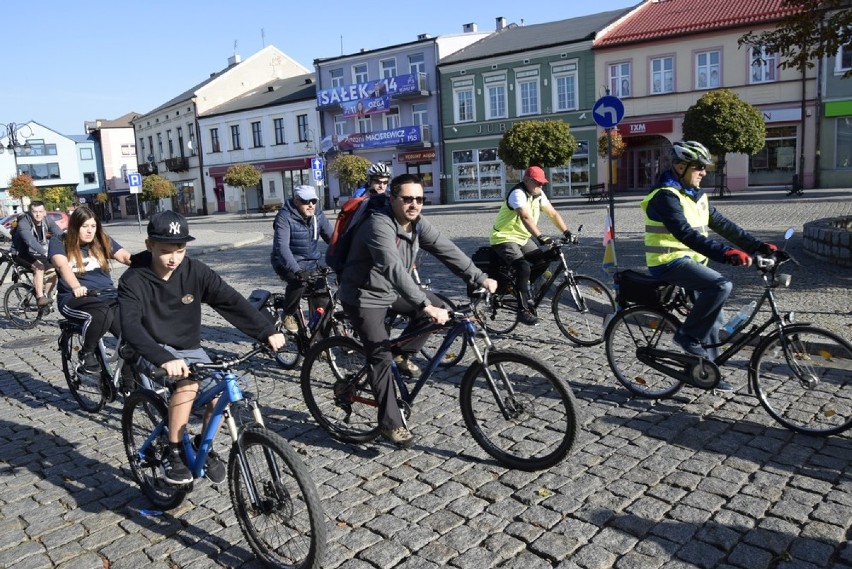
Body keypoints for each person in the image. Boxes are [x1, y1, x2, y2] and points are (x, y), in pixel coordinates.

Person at [118, 211, 286, 485]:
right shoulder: (133, 280)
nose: (173, 258)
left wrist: (266, 331)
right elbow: (131, 327)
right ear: (149, 246)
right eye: (165, 251)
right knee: (188, 384)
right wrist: (163, 358)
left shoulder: (195, 271)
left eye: (180, 250)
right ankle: (174, 452)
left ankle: (200, 445)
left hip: (189, 347)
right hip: (150, 348)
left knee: (221, 393)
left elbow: (230, 300)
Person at [338, 173, 497, 448]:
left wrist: (479, 277)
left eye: (420, 199)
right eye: (408, 198)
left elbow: (446, 249)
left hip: (392, 290)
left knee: (445, 307)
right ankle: (390, 423)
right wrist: (424, 306)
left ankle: (403, 353)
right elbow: (393, 268)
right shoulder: (378, 225)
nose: (414, 204)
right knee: (379, 355)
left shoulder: (417, 224)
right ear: (393, 199)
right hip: (364, 296)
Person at [641, 141, 775, 390]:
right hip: (667, 262)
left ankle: (707, 373)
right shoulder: (664, 197)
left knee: (713, 317)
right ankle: (685, 336)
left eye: (705, 168)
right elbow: (686, 234)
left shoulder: (696, 196)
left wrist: (757, 246)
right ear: (681, 167)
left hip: (692, 263)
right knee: (720, 286)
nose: (704, 172)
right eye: (699, 167)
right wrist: (727, 254)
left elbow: (725, 226)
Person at [48, 207, 131, 374]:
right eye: (85, 226)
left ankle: (130, 389)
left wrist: (149, 264)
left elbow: (124, 256)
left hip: (107, 294)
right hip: (75, 298)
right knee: (102, 313)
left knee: (131, 336)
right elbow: (61, 265)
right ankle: (87, 353)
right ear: (75, 226)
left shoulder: (102, 240)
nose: (90, 230)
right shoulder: (59, 241)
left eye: (93, 226)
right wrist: (76, 287)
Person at [489, 166, 573, 326]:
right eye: (537, 183)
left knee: (543, 261)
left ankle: (519, 288)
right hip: (503, 237)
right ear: (527, 180)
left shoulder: (538, 194)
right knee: (523, 268)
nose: (541, 186)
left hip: (522, 238)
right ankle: (522, 310)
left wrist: (567, 232)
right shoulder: (518, 194)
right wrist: (541, 237)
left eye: (543, 183)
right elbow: (525, 216)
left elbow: (553, 213)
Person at [270, 185, 333, 333]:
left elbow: (333, 239)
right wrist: (297, 270)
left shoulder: (318, 215)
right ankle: (288, 313)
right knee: (299, 282)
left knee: (323, 301)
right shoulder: (284, 217)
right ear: (296, 200)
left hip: (312, 262)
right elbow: (282, 248)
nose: (311, 205)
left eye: (313, 200)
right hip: (286, 262)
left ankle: (320, 345)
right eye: (306, 201)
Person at [11, 201, 62, 306]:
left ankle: (46, 295)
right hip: (20, 253)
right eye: (35, 212)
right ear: (30, 212)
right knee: (39, 267)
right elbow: (30, 241)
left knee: (55, 270)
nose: (38, 214)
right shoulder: (23, 223)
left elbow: (59, 233)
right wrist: (46, 252)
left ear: (44, 212)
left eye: (40, 211)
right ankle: (40, 298)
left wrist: (71, 243)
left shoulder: (46, 220)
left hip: (34, 252)